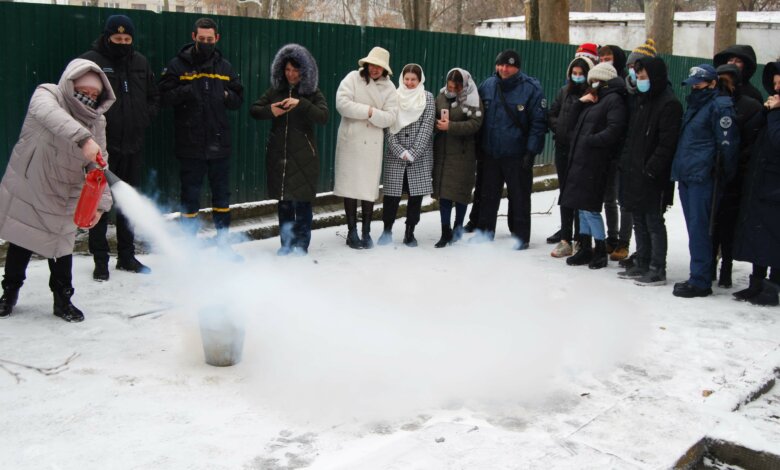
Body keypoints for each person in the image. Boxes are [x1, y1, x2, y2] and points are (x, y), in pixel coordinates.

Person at [0, 59, 115, 322]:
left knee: (61, 250)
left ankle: (63, 299)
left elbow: (99, 161)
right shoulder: (47, 94)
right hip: (32, 185)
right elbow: (51, 117)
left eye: (94, 95)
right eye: (83, 91)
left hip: (66, 192)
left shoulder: (97, 122)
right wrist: (84, 139)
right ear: (70, 83)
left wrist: (101, 203)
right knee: (20, 242)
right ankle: (9, 293)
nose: (88, 98)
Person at [80, 14, 160, 281]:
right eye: (118, 38)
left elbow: (153, 96)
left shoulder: (140, 62)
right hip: (103, 147)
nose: (123, 43)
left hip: (133, 145)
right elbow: (79, 102)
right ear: (107, 37)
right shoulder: (92, 62)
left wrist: (144, 117)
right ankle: (100, 260)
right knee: (100, 205)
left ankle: (126, 256)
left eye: (127, 39)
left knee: (127, 204)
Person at [158, 17, 244, 255]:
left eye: (210, 39)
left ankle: (224, 244)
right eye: (202, 38)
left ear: (216, 39)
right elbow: (163, 97)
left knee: (222, 196)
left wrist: (226, 96)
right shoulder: (178, 66)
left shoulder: (224, 67)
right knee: (190, 196)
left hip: (219, 143)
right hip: (190, 144)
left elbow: (238, 99)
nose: (206, 42)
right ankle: (189, 248)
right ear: (194, 37)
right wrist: (189, 90)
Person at [250, 44, 328, 256]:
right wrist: (271, 110)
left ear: (304, 70)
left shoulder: (312, 93)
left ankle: (302, 245)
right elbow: (255, 110)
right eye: (287, 70)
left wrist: (300, 103)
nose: (291, 74)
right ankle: (286, 243)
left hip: (304, 157)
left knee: (302, 203)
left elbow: (323, 116)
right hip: (279, 156)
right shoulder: (275, 91)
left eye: (295, 70)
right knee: (284, 203)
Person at [671, 64, 740, 298]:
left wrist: (723, 176)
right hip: (688, 174)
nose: (695, 87)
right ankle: (698, 274)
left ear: (712, 83)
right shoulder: (696, 105)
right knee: (694, 228)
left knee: (701, 229)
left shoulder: (720, 106)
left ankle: (700, 281)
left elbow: (728, 147)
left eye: (699, 83)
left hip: (704, 176)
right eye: (693, 83)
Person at [616, 57, 682, 286]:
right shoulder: (642, 101)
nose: (640, 81)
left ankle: (657, 267)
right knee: (638, 220)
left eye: (644, 78)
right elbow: (632, 138)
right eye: (639, 77)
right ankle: (642, 261)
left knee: (653, 221)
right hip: (634, 172)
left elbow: (666, 144)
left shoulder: (669, 104)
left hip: (653, 177)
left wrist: (651, 170)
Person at [473, 49, 547, 249]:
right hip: (491, 153)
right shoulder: (488, 86)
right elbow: (478, 117)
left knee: (519, 198)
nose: (504, 69)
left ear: (517, 68)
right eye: (500, 65)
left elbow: (538, 124)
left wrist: (531, 152)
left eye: (509, 65)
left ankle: (520, 236)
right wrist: (478, 146)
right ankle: (484, 232)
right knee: (487, 196)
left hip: (517, 154)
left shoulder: (531, 89)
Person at [561, 62, 628, 269]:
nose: (592, 84)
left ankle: (600, 249)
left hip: (595, 162)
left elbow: (614, 129)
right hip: (580, 159)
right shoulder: (594, 100)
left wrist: (590, 141)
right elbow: (570, 125)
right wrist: (580, 103)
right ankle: (585, 247)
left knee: (590, 208)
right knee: (581, 207)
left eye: (595, 80)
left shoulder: (614, 100)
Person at [333, 47, 399, 249]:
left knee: (368, 189)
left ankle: (366, 232)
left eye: (379, 66)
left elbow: (390, 117)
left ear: (385, 69)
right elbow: (341, 104)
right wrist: (370, 111)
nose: (375, 69)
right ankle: (352, 232)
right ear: (367, 64)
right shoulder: (353, 78)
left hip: (372, 143)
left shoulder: (390, 88)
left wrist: (371, 115)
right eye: (372, 65)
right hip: (351, 141)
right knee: (350, 187)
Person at [710, 63, 764, 287]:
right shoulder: (711, 104)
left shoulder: (750, 106)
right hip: (713, 173)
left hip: (736, 176)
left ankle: (727, 269)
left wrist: (736, 163)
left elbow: (752, 142)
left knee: (728, 227)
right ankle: (710, 266)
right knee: (711, 225)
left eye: (727, 80)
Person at [732, 60, 780, 306]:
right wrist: (766, 112)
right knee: (757, 236)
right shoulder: (771, 109)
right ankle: (756, 283)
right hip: (760, 182)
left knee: (774, 239)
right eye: (775, 84)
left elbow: (777, 140)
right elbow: (754, 133)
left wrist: (775, 114)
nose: (777, 89)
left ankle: (772, 287)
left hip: (775, 187)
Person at [378, 64, 434, 247]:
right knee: (391, 197)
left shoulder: (428, 98)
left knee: (415, 196)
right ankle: (386, 230)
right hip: (396, 156)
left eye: (413, 79)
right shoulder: (394, 96)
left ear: (420, 80)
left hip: (419, 157)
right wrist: (399, 150)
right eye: (406, 79)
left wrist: (413, 152)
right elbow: (388, 125)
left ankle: (410, 232)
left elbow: (427, 127)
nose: (409, 83)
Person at [547, 51, 596, 257]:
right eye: (574, 73)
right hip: (563, 148)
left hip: (581, 152)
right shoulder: (564, 91)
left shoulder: (592, 95)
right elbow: (552, 114)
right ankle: (565, 237)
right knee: (565, 194)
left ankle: (581, 238)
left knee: (579, 196)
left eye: (581, 73)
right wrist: (560, 129)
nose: (577, 76)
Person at [431, 68, 483, 248]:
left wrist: (451, 126)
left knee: (460, 193)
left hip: (463, 154)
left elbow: (475, 124)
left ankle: (458, 228)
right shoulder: (441, 97)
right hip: (443, 153)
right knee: (444, 193)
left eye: (456, 86)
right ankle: (445, 231)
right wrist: (437, 125)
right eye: (449, 85)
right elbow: (434, 118)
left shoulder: (472, 99)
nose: (452, 89)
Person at [597, 44, 633, 261]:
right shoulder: (600, 82)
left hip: (622, 151)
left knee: (623, 199)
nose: (604, 61)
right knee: (608, 198)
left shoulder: (626, 85)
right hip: (605, 151)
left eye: (608, 57)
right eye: (601, 58)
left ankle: (624, 242)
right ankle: (611, 237)